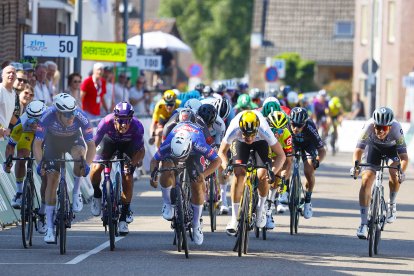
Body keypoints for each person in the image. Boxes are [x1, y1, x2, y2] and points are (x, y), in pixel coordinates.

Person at [33, 93, 96, 243]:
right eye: (67, 114)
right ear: (58, 113)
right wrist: (40, 163)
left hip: (72, 140)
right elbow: (37, 144)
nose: (71, 117)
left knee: (80, 156)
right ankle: (49, 228)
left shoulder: (80, 116)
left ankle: (76, 193)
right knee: (51, 180)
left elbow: (91, 145)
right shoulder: (47, 115)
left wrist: (86, 165)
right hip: (52, 143)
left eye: (73, 113)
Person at [150, 124, 222, 246]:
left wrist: (203, 175)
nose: (180, 162)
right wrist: (153, 176)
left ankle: (196, 224)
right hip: (174, 152)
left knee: (197, 183)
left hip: (194, 155)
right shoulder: (168, 143)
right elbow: (154, 160)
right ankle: (168, 204)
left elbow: (217, 161)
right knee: (166, 169)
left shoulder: (198, 143)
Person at [218, 110, 286, 235]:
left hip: (261, 143)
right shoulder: (234, 127)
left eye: (251, 135)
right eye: (245, 134)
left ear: (256, 130)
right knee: (239, 174)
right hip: (240, 144)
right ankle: (234, 218)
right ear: (241, 129)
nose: (248, 138)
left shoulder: (264, 129)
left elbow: (281, 156)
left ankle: (260, 210)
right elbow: (221, 152)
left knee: (263, 175)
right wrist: (226, 166)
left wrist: (273, 172)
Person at [350, 107, 408, 239]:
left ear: (390, 126)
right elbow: (358, 151)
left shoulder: (396, 128)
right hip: (373, 148)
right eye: (378, 127)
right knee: (366, 180)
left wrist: (401, 172)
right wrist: (356, 166)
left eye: (384, 128)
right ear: (374, 125)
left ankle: (391, 204)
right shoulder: (368, 126)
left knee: (394, 172)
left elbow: (404, 157)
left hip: (391, 150)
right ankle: (363, 224)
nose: (380, 131)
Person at [89, 102, 145, 235]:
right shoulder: (106, 122)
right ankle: (97, 194)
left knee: (127, 175)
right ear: (115, 119)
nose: (124, 125)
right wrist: (88, 159)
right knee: (96, 168)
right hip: (108, 142)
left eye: (127, 121)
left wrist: (134, 162)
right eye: (120, 121)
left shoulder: (137, 126)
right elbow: (93, 144)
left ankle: (124, 217)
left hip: (128, 145)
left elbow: (141, 150)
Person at [4, 101, 46, 209]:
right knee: (21, 155)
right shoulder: (22, 121)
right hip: (27, 133)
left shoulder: (50, 118)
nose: (33, 123)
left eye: (36, 120)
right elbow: (10, 146)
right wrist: (8, 161)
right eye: (30, 119)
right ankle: (19, 192)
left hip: (46, 134)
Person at [288, 107, 326, 219]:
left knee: (309, 171)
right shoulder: (286, 125)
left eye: (299, 125)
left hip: (308, 145)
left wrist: (318, 161)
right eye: (293, 124)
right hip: (293, 143)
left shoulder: (310, 127)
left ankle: (308, 201)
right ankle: (285, 190)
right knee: (287, 160)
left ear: (304, 124)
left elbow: (322, 150)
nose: (295, 128)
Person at [264, 111, 294, 228]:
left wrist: (283, 178)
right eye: (274, 130)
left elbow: (288, 161)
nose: (277, 134)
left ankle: (268, 211)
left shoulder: (286, 135)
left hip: (277, 155)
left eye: (280, 131)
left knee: (280, 167)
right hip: (264, 153)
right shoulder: (263, 132)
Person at [0, 65, 17, 139]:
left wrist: (24, 126)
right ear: (2, 75)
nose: (11, 74)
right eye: (8, 72)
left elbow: (9, 115)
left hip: (3, 137)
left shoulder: (13, 93)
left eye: (13, 73)